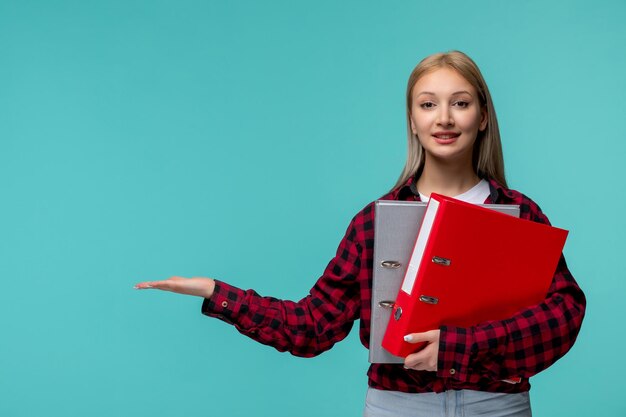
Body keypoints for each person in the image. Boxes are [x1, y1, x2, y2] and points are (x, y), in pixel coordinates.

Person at [135, 51, 586, 416]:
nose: (444, 118)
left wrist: (460, 346)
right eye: (428, 104)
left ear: (483, 117)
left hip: (497, 406)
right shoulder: (374, 221)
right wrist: (217, 292)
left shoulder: (519, 213)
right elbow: (311, 327)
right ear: (412, 119)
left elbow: (565, 313)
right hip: (399, 407)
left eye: (460, 103)